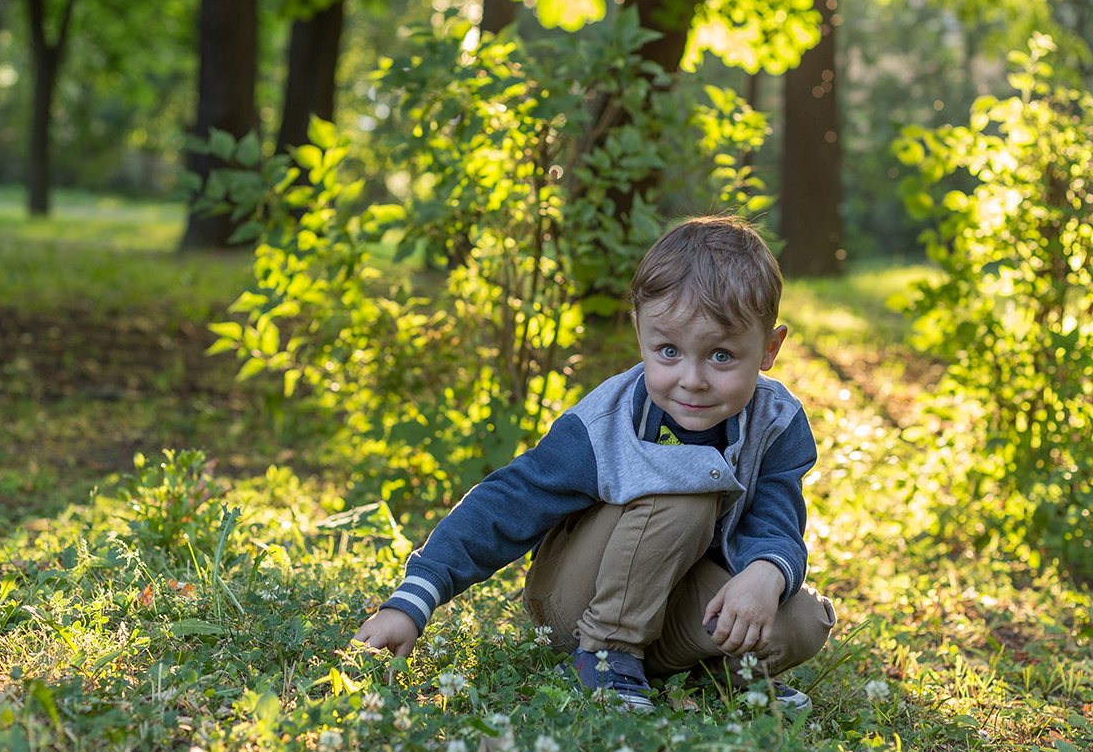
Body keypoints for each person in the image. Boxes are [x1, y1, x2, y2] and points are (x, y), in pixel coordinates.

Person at [354, 214, 836, 713]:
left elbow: (778, 520)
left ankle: (698, 679)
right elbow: (509, 501)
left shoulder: (777, 422)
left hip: (672, 602)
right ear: (640, 332)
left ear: (769, 348)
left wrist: (765, 572)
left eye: (721, 356)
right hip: (576, 604)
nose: (691, 379)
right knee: (687, 489)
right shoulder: (607, 423)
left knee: (802, 617)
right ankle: (604, 656)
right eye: (668, 351)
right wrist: (413, 601)